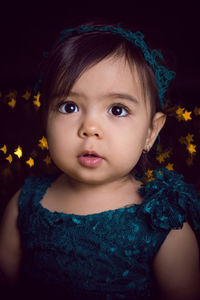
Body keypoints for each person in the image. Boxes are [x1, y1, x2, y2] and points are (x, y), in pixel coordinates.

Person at [0, 21, 200, 300]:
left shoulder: (162, 221)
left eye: (117, 110)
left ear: (150, 132)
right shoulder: (26, 203)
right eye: (69, 107)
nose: (90, 127)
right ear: (45, 117)